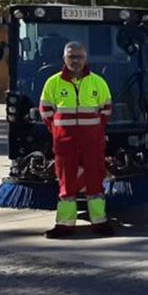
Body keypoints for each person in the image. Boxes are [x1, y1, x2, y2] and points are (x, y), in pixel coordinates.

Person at [39, 41, 113, 238]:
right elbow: (45, 110)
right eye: (71, 57)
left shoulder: (98, 82)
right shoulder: (53, 83)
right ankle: (64, 225)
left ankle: (100, 222)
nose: (76, 61)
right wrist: (57, 131)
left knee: (95, 182)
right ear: (64, 58)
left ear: (85, 58)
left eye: (79, 56)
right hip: (65, 143)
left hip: (92, 143)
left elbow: (106, 109)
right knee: (66, 182)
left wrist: (96, 131)